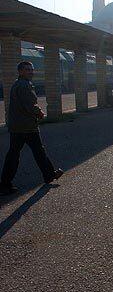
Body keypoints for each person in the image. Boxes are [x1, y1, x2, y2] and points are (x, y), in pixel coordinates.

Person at [0, 61, 64, 194]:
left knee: (35, 151)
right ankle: (5, 184)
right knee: (17, 154)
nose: (31, 72)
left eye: (31, 69)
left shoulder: (19, 84)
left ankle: (49, 174)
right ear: (20, 71)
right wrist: (40, 113)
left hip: (22, 126)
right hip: (24, 127)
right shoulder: (24, 85)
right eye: (27, 70)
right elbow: (30, 105)